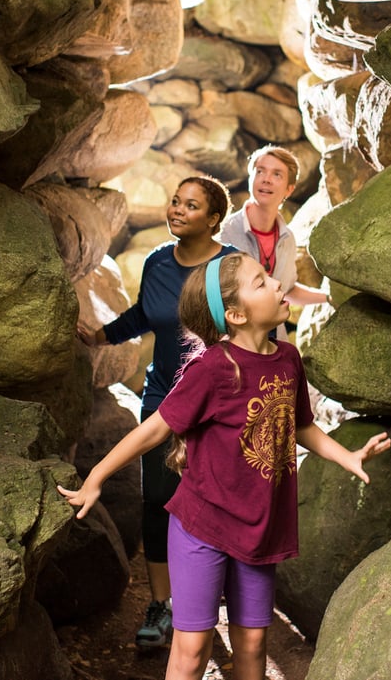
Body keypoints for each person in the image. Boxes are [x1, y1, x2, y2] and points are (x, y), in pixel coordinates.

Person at [60, 252, 391, 680]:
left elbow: (300, 425)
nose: (276, 285)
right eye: (261, 282)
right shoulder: (214, 368)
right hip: (204, 527)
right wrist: (97, 476)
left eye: (270, 277)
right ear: (235, 315)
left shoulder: (288, 358)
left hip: (260, 527)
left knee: (253, 644)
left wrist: (346, 455)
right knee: (192, 650)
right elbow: (155, 429)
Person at [77, 175, 239, 650]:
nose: (177, 210)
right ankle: (161, 605)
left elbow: (251, 331)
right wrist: (100, 336)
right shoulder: (156, 262)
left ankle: (209, 601)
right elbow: (146, 316)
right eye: (174, 202)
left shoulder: (230, 267)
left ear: (213, 220)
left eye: (191, 206)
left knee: (211, 500)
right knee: (158, 501)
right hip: (163, 395)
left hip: (217, 402)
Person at [219, 145, 331, 338]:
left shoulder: (287, 238)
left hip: (273, 340)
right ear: (250, 178)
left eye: (277, 174)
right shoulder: (224, 232)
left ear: (289, 189)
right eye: (260, 171)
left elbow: (287, 290)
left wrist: (328, 298)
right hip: (231, 340)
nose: (266, 179)